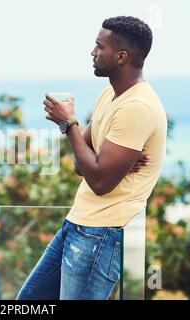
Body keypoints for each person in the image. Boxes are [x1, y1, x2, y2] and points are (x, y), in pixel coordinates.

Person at [17, 16, 167, 300]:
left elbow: (99, 180)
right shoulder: (110, 96)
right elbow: (81, 164)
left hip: (100, 234)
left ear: (121, 57)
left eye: (99, 46)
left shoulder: (138, 107)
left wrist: (68, 125)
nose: (92, 52)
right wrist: (95, 155)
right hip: (78, 224)